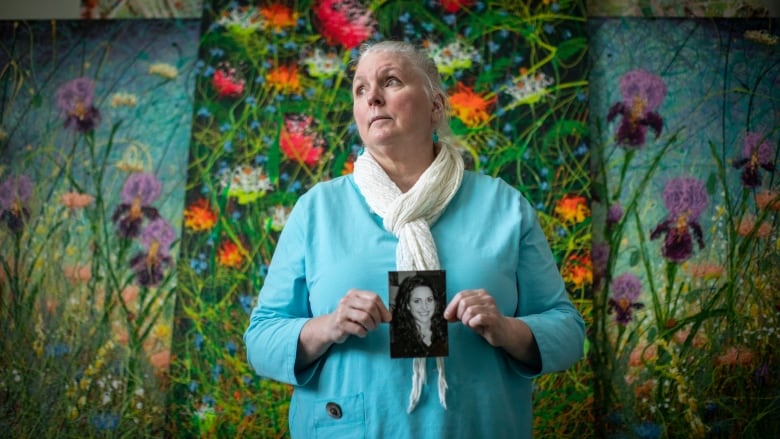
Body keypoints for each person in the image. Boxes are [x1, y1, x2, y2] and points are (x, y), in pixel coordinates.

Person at [244, 40, 585, 438]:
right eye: (360, 89)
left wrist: (506, 330)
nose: (372, 97)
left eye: (390, 81)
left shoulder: (504, 206)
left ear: (435, 106)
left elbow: (568, 332)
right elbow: (261, 340)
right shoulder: (316, 210)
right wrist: (328, 326)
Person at [390, 273, 448, 358]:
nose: (424, 307)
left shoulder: (446, 332)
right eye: (417, 301)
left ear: (435, 302)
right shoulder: (398, 346)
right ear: (408, 305)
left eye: (429, 300)